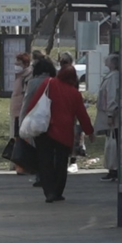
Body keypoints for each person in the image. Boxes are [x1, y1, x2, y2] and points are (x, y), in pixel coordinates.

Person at [28, 64, 94, 203]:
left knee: (45, 162)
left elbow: (35, 102)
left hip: (45, 129)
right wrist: (89, 132)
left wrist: (30, 118)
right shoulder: (75, 94)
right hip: (64, 132)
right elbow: (82, 115)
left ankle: (49, 192)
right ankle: (58, 191)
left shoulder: (48, 83)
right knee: (61, 163)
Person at [20, 56, 57, 188]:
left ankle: (41, 176)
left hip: (37, 119)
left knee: (40, 150)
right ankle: (52, 175)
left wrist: (22, 120)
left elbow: (27, 101)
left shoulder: (33, 83)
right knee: (52, 150)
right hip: (53, 120)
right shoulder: (55, 81)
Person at [94, 52, 120, 182]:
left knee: (113, 141)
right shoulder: (111, 76)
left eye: (107, 61)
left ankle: (114, 168)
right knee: (111, 140)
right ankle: (112, 168)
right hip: (110, 115)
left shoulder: (113, 77)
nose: (105, 63)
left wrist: (110, 114)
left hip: (113, 116)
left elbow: (111, 96)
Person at [9, 52, 32, 138]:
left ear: (25, 64)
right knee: (17, 136)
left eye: (18, 63)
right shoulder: (19, 76)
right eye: (15, 63)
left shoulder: (27, 77)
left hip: (22, 111)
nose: (16, 65)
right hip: (17, 111)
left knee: (20, 136)